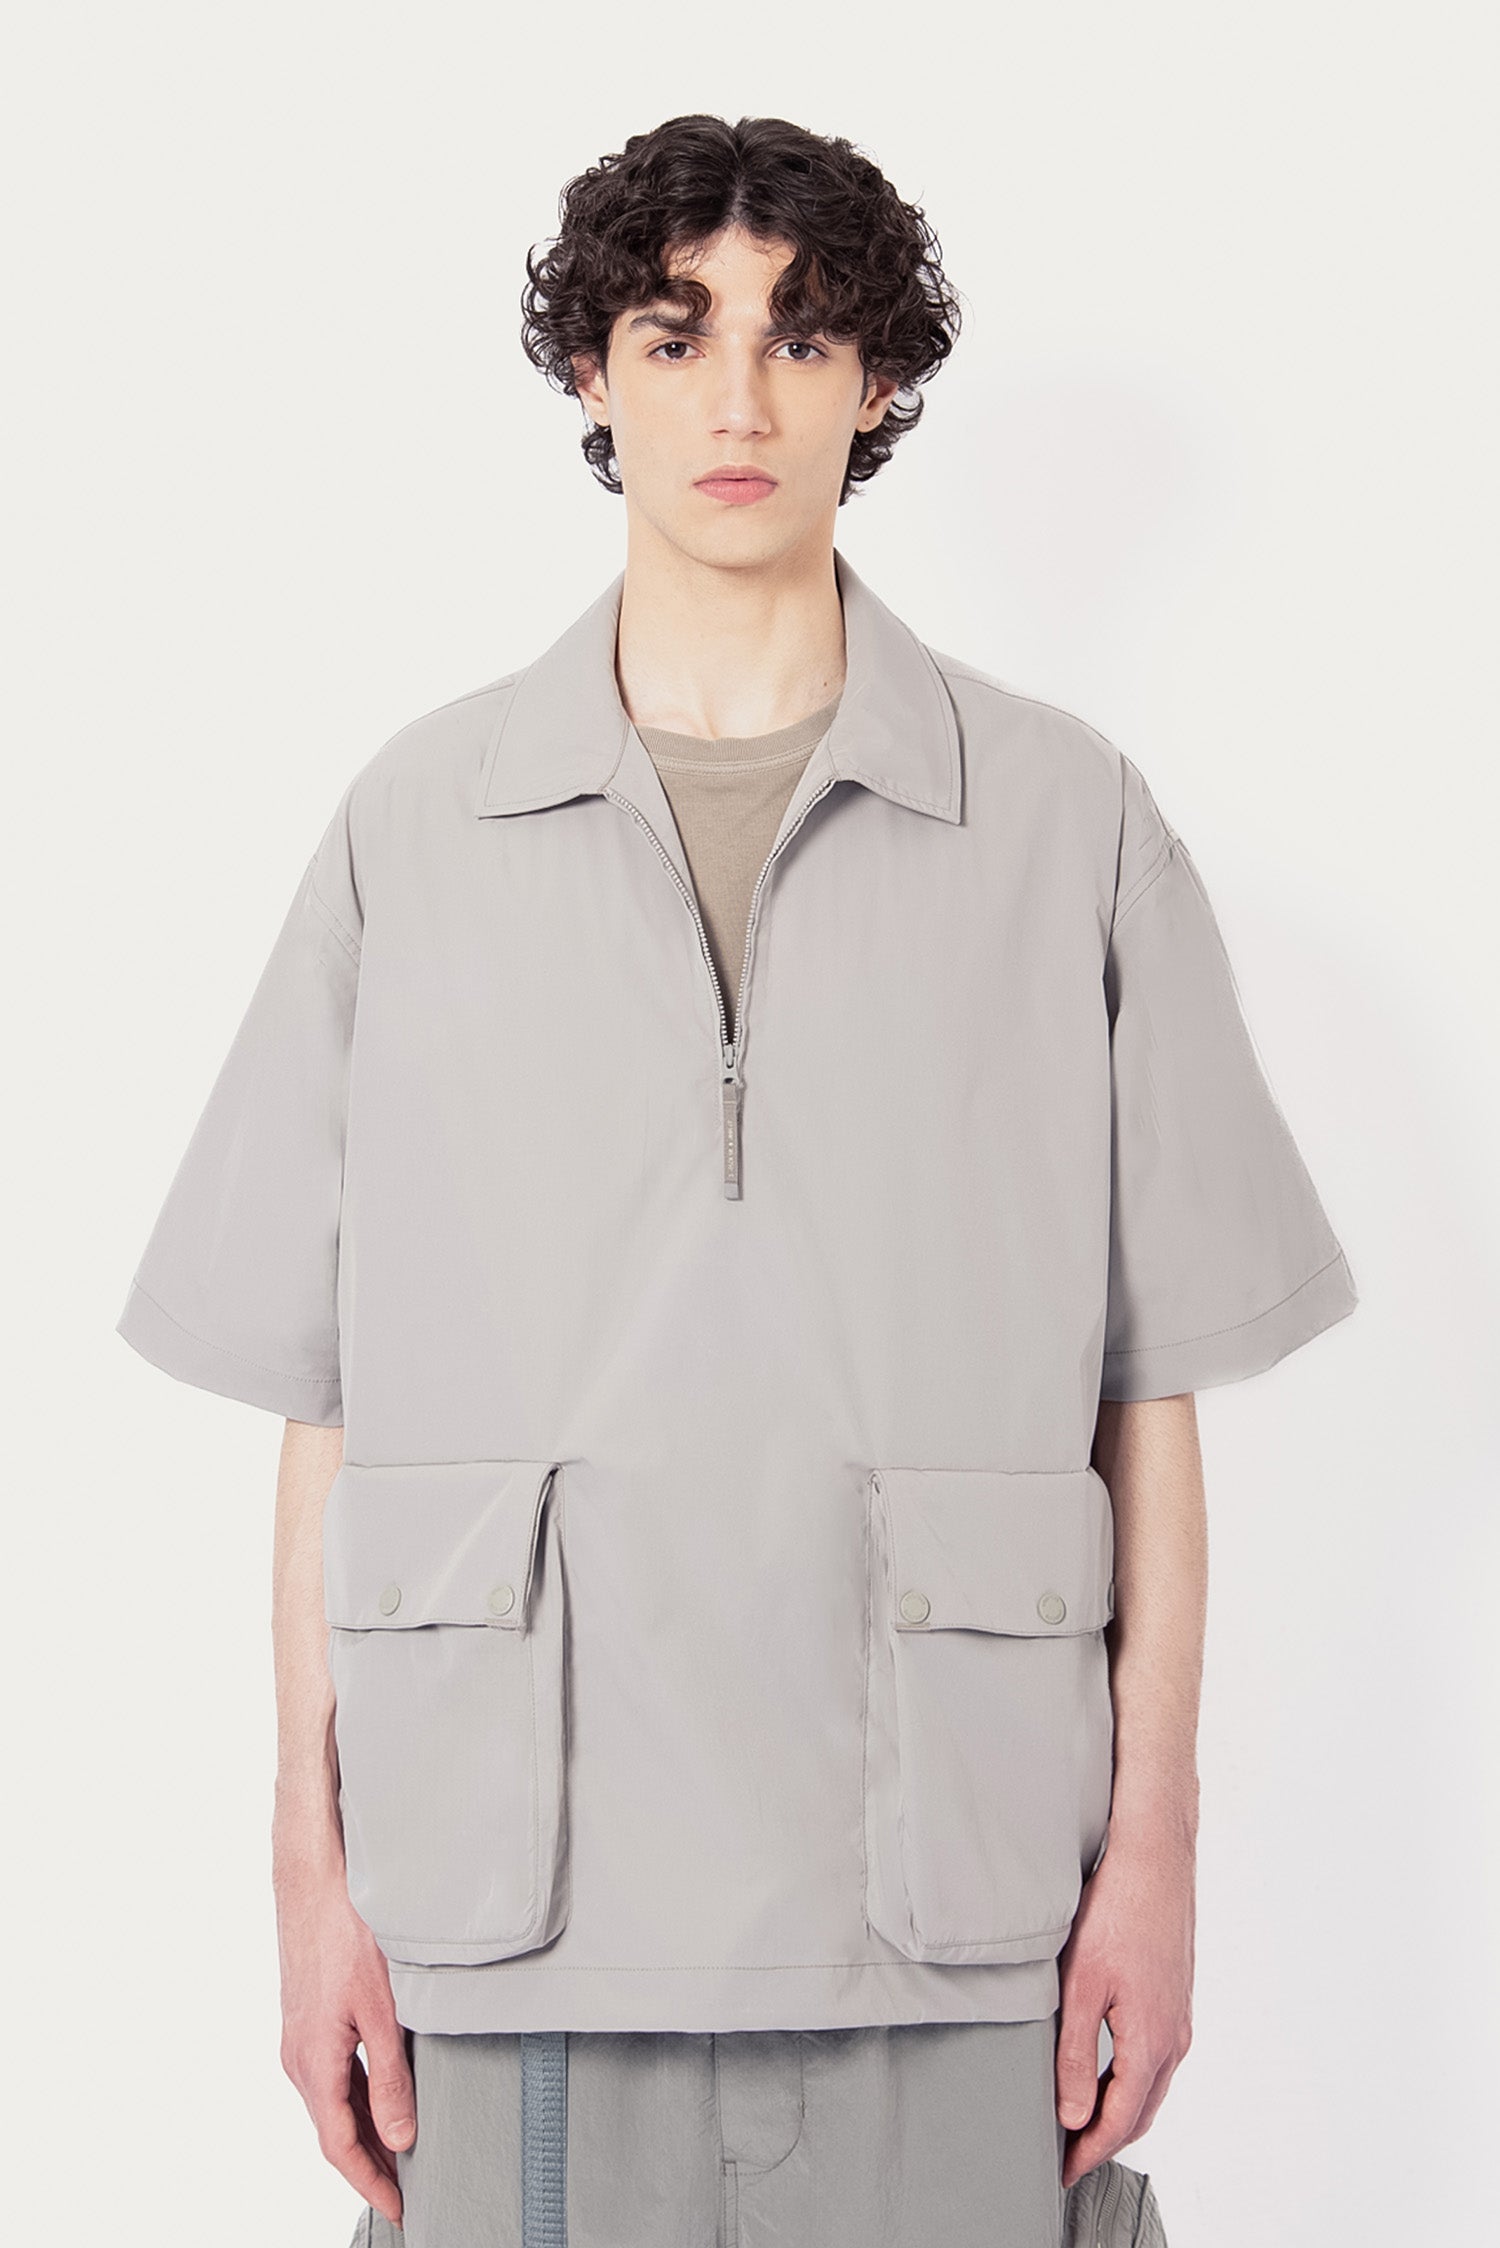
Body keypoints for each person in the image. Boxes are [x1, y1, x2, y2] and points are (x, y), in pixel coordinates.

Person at [115, 114, 1359, 2248]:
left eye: (803, 337)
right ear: (589, 374)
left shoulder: (1068, 822)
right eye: (676, 335)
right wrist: (306, 1871)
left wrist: (1154, 1848)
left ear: (878, 385)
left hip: (950, 1907)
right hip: (508, 1916)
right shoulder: (414, 828)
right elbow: (329, 1393)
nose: (741, 401)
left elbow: (1144, 1388)